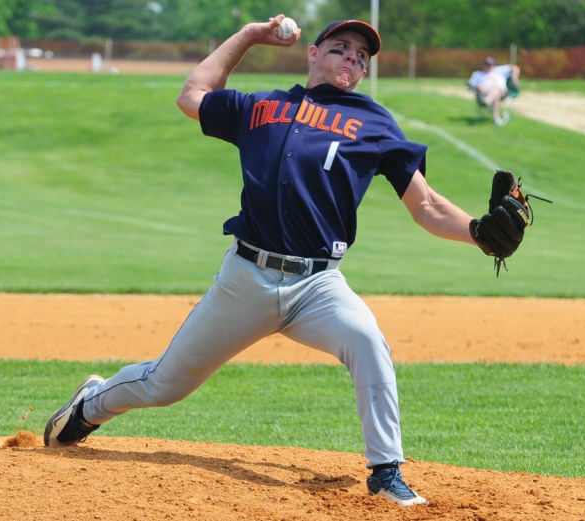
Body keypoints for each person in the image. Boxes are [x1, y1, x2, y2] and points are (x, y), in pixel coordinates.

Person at [44, 15, 490, 508]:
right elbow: (192, 94)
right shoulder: (262, 107)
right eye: (341, 48)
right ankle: (88, 406)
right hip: (245, 279)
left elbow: (426, 206)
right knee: (164, 384)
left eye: (362, 56)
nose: (352, 59)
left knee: (366, 338)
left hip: (319, 285)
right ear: (313, 54)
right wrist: (250, 36)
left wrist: (479, 233)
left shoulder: (374, 123)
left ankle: (385, 471)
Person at [467, 57, 520, 126]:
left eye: (490, 65)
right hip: (484, 94)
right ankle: (496, 118)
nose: (489, 67)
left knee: (497, 90)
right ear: (483, 65)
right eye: (487, 65)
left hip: (502, 93)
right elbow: (470, 86)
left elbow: (515, 67)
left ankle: (488, 101)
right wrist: (478, 87)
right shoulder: (477, 74)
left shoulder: (499, 70)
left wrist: (514, 76)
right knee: (496, 94)